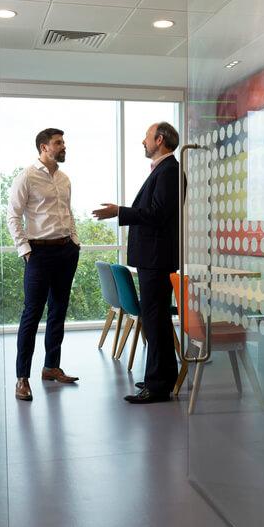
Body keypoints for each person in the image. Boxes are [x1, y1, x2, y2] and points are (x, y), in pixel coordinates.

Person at [93, 122, 180, 404]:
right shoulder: (163, 170)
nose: (143, 142)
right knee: (157, 321)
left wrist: (119, 211)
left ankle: (158, 386)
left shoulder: (169, 171)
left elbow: (156, 214)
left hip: (156, 258)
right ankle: (162, 377)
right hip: (153, 258)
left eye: (146, 137)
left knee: (156, 321)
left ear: (160, 139)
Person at [6, 128, 81, 402]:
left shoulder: (64, 179)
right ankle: (21, 378)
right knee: (31, 314)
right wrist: (25, 250)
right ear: (43, 147)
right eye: (58, 143)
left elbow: (68, 212)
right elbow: (12, 216)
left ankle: (51, 367)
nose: (64, 146)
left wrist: (75, 241)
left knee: (59, 310)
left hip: (66, 251)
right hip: (38, 253)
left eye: (63, 142)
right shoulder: (26, 176)